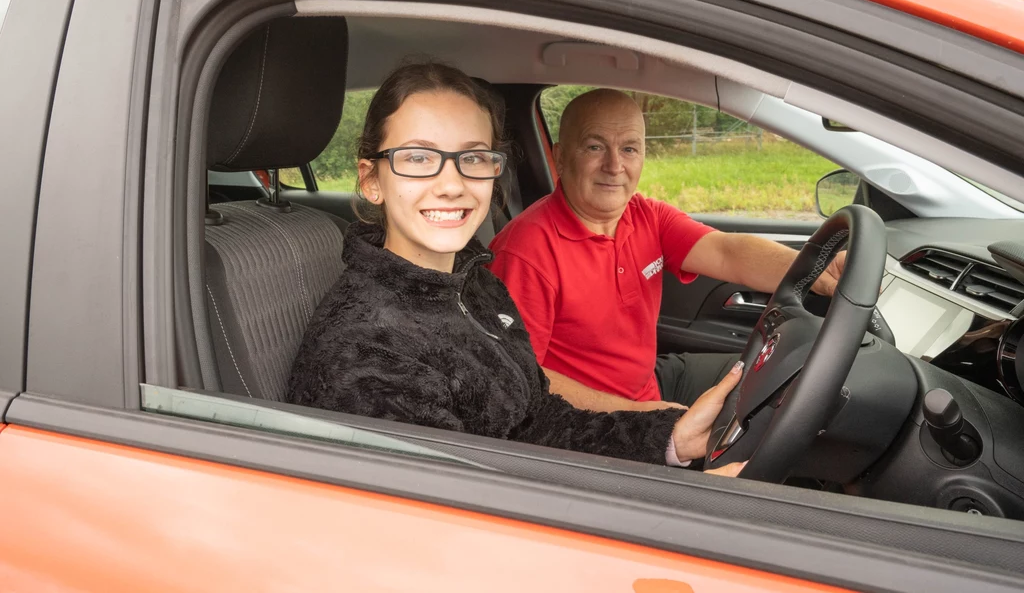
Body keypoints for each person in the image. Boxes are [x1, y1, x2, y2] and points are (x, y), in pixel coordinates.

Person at [287, 62, 745, 475]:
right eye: (419, 158)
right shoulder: (368, 353)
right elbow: (451, 519)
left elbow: (534, 419)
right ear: (372, 181)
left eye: (472, 158)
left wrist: (670, 438)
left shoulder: (474, 285)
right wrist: (676, 501)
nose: (451, 185)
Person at [489, 89, 844, 413]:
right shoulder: (526, 253)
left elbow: (726, 252)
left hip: (647, 386)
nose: (615, 166)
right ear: (561, 158)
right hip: (590, 421)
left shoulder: (647, 215)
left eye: (629, 148)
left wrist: (819, 270)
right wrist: (648, 417)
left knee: (785, 375)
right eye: (595, 146)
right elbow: (521, 376)